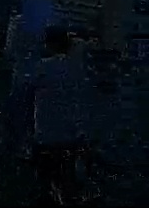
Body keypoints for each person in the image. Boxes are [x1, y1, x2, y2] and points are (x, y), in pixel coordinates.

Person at [24, 25, 93, 200]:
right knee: (69, 183)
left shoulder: (42, 68)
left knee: (46, 186)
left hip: (46, 136)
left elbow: (24, 94)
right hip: (72, 136)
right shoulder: (79, 68)